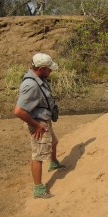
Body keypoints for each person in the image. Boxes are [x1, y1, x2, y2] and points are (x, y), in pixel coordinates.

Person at [14, 52, 65, 199]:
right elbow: (18, 111)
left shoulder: (39, 77)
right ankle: (38, 188)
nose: (51, 71)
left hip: (44, 119)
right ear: (41, 68)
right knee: (38, 155)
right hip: (38, 123)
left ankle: (54, 162)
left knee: (53, 142)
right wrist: (36, 126)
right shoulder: (31, 85)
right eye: (49, 69)